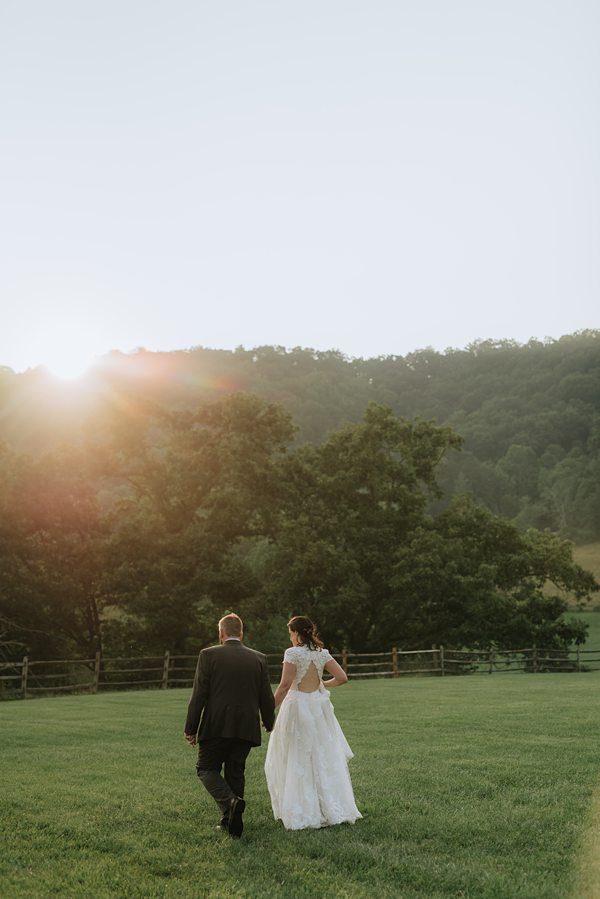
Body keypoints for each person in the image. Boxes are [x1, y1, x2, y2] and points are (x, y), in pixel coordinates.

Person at [264, 615, 362, 830]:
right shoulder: (322, 654)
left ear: (297, 632)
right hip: (318, 707)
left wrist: (267, 709)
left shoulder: (292, 653)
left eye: (290, 632)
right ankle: (331, 807)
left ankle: (302, 810)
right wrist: (322, 683)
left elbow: (284, 685)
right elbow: (343, 677)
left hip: (297, 707)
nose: (290, 637)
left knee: (296, 755)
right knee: (322, 755)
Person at [184, 612, 275, 838]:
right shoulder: (258, 658)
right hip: (246, 725)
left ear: (221, 633)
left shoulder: (208, 655)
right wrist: (269, 721)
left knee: (206, 768)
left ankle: (230, 802)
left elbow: (199, 695)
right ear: (241, 633)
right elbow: (266, 695)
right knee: (235, 771)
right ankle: (231, 823)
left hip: (216, 724)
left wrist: (191, 728)